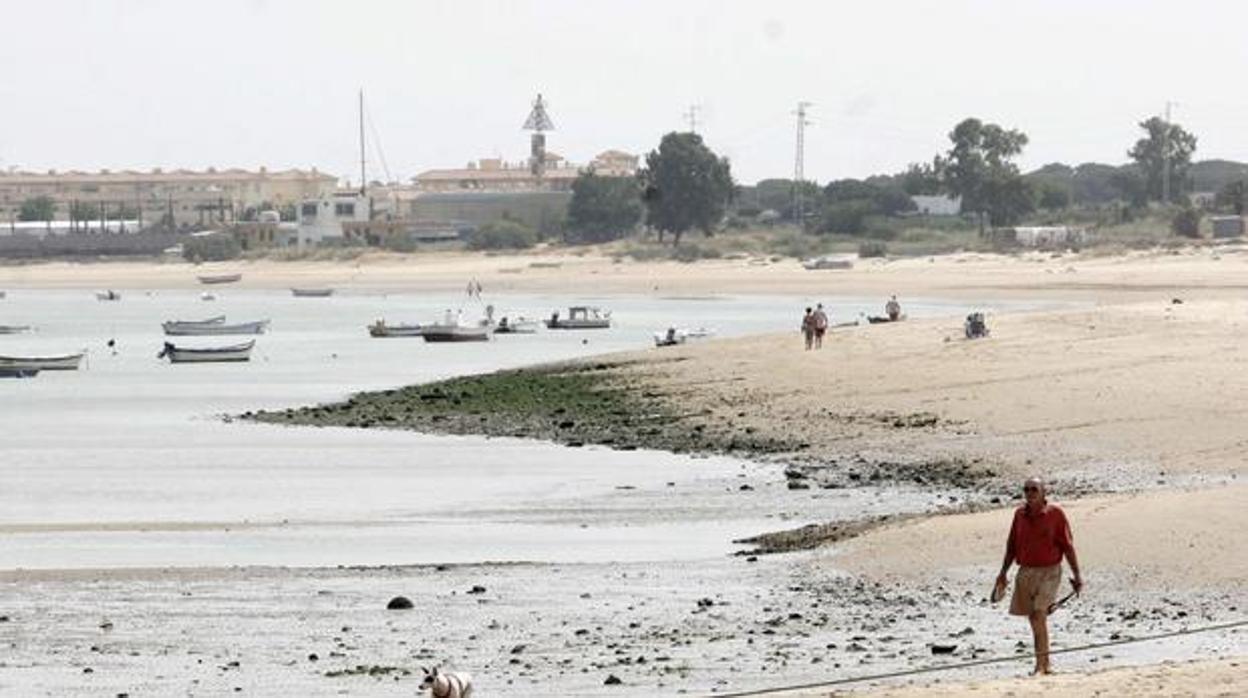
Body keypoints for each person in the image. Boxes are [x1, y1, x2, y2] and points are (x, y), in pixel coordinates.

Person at [996, 477, 1083, 676]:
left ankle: (1041, 666)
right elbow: (1011, 546)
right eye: (1026, 489)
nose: (1029, 493)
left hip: (1050, 572)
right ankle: (1044, 663)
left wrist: (1077, 575)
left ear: (1044, 492)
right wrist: (1002, 574)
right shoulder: (1019, 515)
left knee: (1038, 615)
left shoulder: (1056, 514)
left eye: (1034, 489)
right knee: (1035, 620)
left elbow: (1068, 547)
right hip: (1025, 571)